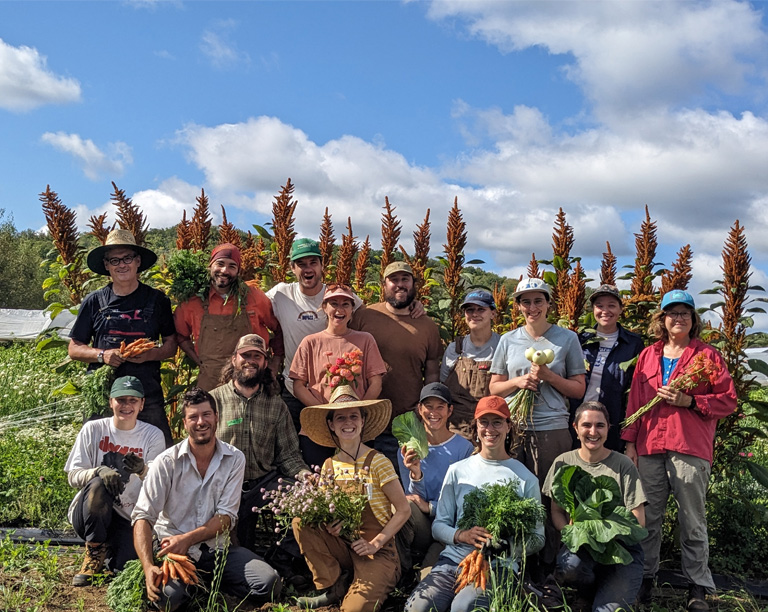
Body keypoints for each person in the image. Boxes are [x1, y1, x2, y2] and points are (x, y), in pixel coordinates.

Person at [621, 289, 736, 612]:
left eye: (685, 313)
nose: (679, 318)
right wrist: (630, 442)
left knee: (692, 519)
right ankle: (644, 580)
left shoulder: (707, 357)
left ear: (693, 319)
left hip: (689, 446)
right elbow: (636, 403)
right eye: (672, 313)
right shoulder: (648, 355)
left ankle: (697, 586)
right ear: (663, 319)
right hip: (650, 445)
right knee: (647, 517)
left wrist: (692, 401)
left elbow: (727, 401)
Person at [132, 387, 282, 611]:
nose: (200, 422)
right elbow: (142, 517)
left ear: (216, 418)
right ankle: (193, 586)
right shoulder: (166, 462)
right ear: (184, 423)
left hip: (217, 550)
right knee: (166, 599)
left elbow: (226, 518)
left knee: (268, 584)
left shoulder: (234, 459)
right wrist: (147, 567)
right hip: (175, 553)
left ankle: (205, 583)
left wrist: (188, 539)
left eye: (206, 415)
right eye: (193, 417)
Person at [404, 396, 545, 612]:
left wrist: (506, 547)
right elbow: (438, 526)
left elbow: (537, 537)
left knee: (465, 606)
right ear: (476, 427)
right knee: (418, 608)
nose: (490, 429)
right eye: (484, 422)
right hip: (452, 562)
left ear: (508, 426)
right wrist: (462, 535)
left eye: (497, 422)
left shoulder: (525, 479)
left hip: (498, 566)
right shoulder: (458, 470)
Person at [488, 277, 586, 573]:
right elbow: (494, 387)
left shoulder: (566, 339)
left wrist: (549, 377)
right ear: (518, 306)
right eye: (525, 302)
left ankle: (548, 565)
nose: (532, 307)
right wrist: (519, 381)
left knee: (550, 497)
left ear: (548, 304)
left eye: (538, 301)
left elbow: (579, 389)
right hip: (515, 428)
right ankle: (515, 560)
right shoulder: (508, 340)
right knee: (514, 495)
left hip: (551, 429)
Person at [292, 384, 411, 612]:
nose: (348, 423)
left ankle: (361, 585)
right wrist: (332, 525)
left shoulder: (378, 462)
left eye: (354, 416)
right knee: (301, 521)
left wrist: (376, 544)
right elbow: (328, 512)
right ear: (331, 425)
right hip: (346, 544)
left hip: (378, 551)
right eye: (340, 418)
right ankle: (334, 586)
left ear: (363, 421)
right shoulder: (328, 466)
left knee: (354, 610)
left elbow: (403, 509)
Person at [69, 229, 176, 446]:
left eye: (127, 258)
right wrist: (102, 355)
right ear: (106, 265)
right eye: (114, 260)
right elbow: (74, 348)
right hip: (104, 394)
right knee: (95, 448)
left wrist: (149, 355)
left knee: (161, 450)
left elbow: (171, 345)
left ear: (138, 262)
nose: (121, 265)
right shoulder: (94, 301)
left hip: (147, 393)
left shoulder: (158, 301)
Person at [210, 334, 309, 563]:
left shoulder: (276, 405)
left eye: (257, 356)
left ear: (265, 363)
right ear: (234, 359)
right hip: (222, 486)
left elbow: (289, 454)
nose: (251, 361)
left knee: (300, 496)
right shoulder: (214, 401)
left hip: (263, 484)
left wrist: (305, 476)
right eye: (245, 355)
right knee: (233, 548)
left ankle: (285, 561)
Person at [543, 401, 646, 612]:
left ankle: (612, 589)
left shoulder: (622, 464)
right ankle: (587, 592)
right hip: (581, 546)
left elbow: (638, 519)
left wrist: (605, 533)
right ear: (575, 428)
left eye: (600, 425)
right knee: (569, 566)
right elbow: (557, 511)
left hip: (620, 550)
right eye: (586, 425)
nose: (593, 431)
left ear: (609, 428)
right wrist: (573, 532)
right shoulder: (563, 462)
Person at [65, 376, 165, 586]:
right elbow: (73, 475)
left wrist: (143, 470)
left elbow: (161, 483)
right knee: (99, 485)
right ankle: (94, 550)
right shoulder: (93, 429)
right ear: (111, 402)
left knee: (124, 568)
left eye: (132, 400)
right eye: (120, 400)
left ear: (142, 404)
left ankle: (110, 552)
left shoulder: (152, 435)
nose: (126, 406)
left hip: (128, 516)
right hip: (90, 512)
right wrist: (98, 471)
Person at [350, 261, 443, 466]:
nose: (400, 284)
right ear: (384, 285)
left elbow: (432, 372)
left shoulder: (427, 326)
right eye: (394, 280)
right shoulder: (365, 316)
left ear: (414, 284)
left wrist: (425, 411)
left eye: (405, 279)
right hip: (364, 417)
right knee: (363, 486)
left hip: (406, 420)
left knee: (405, 485)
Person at [290, 283, 388, 468]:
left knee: (360, 482)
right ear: (324, 308)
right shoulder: (310, 342)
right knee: (320, 485)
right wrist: (323, 413)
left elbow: (376, 382)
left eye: (346, 304)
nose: (339, 309)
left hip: (354, 426)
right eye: (333, 303)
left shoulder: (365, 340)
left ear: (352, 310)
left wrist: (357, 412)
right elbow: (299, 386)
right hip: (318, 429)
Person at [175, 242, 284, 391]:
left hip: (253, 383)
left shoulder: (255, 297)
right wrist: (198, 361)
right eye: (220, 264)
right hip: (211, 384)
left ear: (238, 271)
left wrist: (274, 365)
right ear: (210, 266)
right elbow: (181, 336)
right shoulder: (192, 302)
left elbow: (278, 329)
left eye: (232, 266)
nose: (225, 270)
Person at [398, 382, 474, 573]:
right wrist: (416, 474)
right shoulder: (408, 448)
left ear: (450, 410)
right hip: (422, 526)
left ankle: (426, 567)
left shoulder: (464, 449)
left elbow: (464, 503)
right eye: (428, 407)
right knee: (401, 506)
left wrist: (431, 507)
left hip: (452, 526)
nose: (434, 412)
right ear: (419, 409)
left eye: (440, 407)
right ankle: (402, 569)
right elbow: (412, 499)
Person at [571, 285, 644, 451]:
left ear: (620, 309)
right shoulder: (579, 340)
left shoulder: (633, 343)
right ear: (592, 309)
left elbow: (635, 391)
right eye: (600, 305)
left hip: (613, 423)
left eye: (611, 305)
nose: (605, 310)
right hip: (579, 422)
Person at [441, 290, 501, 438]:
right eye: (470, 310)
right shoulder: (455, 349)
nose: (475, 314)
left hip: (491, 429)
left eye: (481, 309)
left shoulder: (503, 346)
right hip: (456, 428)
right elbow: (442, 387)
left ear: (493, 314)